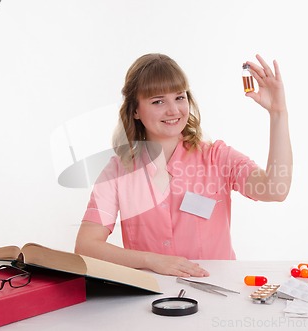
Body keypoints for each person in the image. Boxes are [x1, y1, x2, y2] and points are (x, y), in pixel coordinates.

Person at [75, 53, 292, 277]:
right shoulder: (118, 170)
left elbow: (275, 190)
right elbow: (86, 246)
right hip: (150, 296)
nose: (173, 110)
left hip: (216, 289)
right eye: (158, 101)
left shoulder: (217, 157)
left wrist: (278, 114)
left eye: (179, 97)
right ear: (135, 110)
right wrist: (151, 260)